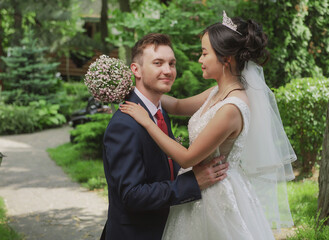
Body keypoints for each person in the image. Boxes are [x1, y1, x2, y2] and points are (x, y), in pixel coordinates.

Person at [120, 11, 296, 240]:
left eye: (204, 53)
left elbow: (187, 158)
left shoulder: (231, 108)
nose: (199, 60)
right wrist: (137, 89)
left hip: (213, 194)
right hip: (198, 188)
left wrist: (147, 122)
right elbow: (177, 106)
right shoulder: (218, 91)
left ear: (226, 59)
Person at [101, 33, 229, 240]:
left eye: (172, 63)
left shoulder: (159, 112)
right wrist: (193, 182)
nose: (168, 71)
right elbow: (131, 195)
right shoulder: (124, 125)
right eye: (158, 63)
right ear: (136, 70)